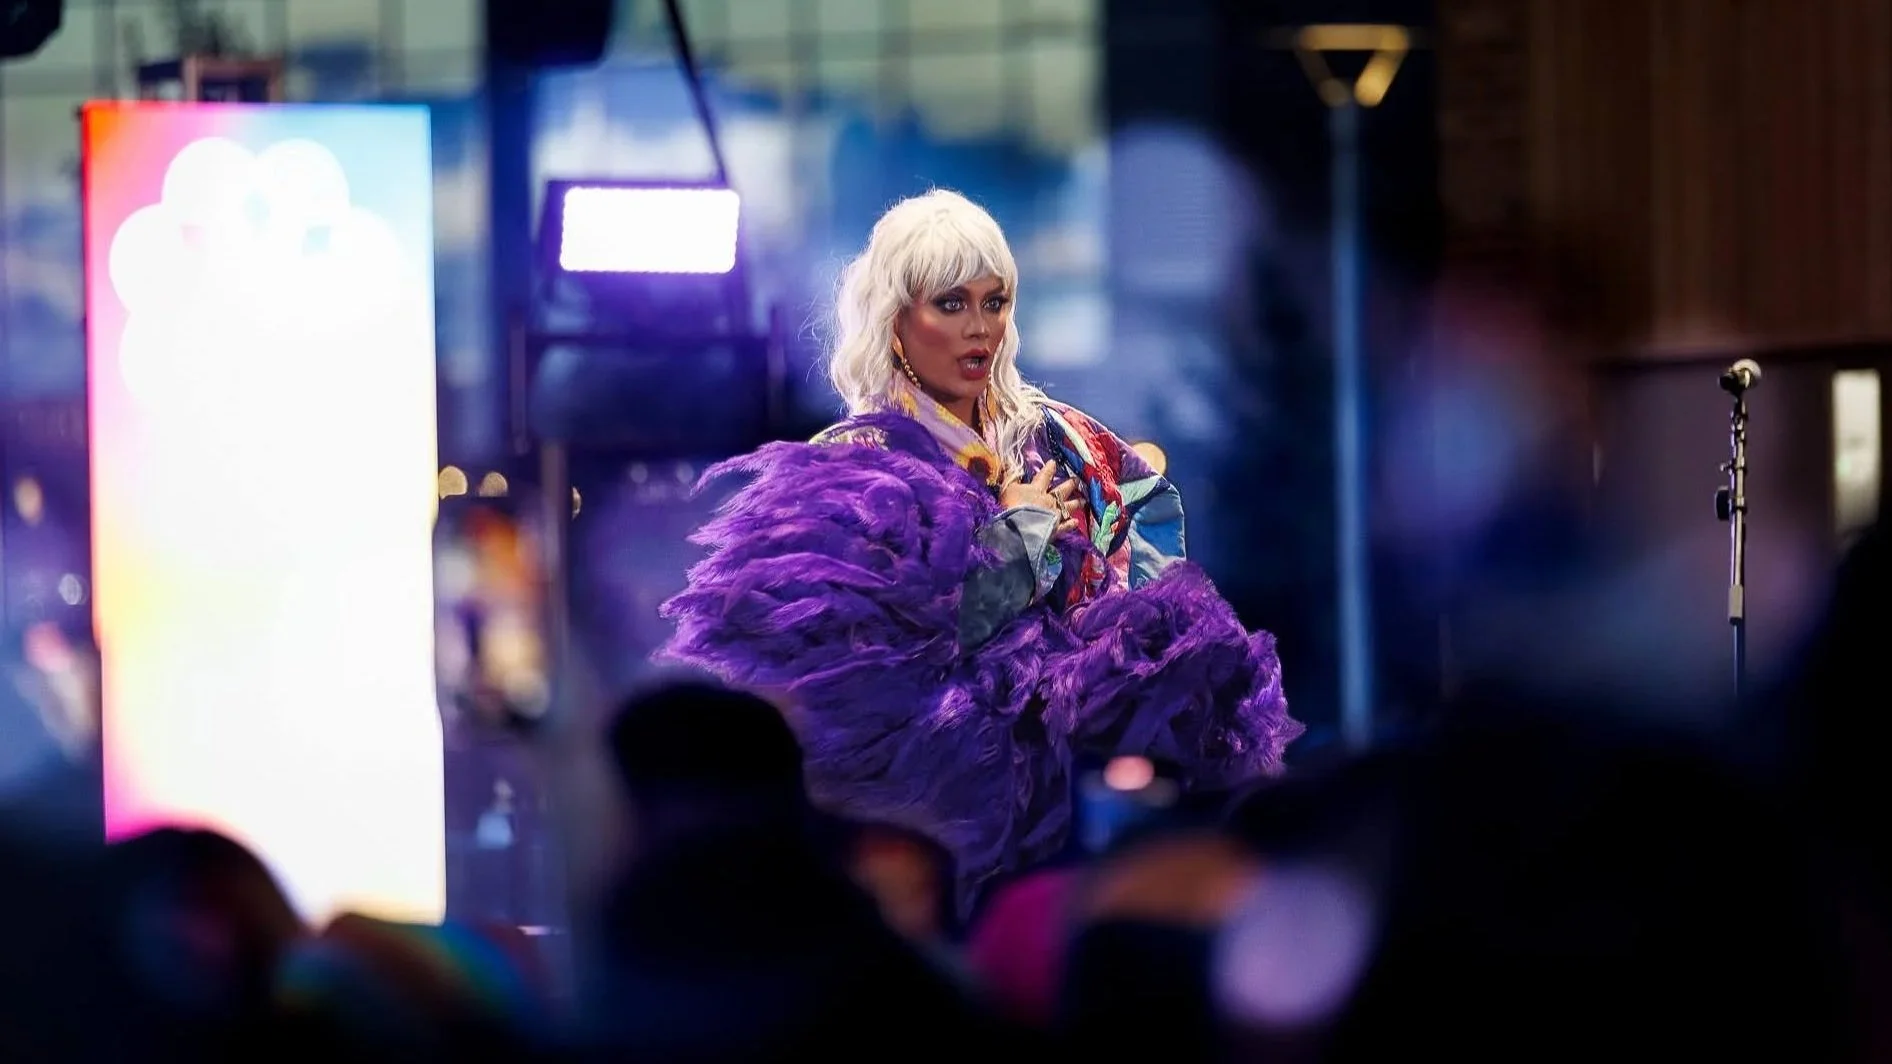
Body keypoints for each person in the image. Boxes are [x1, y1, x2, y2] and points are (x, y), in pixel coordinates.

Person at [659, 188, 1301, 901]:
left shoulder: (1067, 439)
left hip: (1088, 797)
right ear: (895, 318)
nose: (979, 328)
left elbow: (1155, 572)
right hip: (937, 819)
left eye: (994, 303)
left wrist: (1113, 638)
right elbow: (873, 667)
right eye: (951, 303)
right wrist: (1019, 541)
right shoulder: (851, 468)